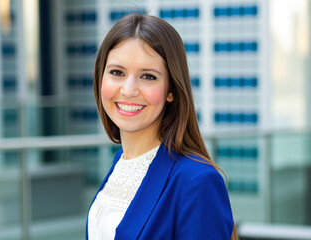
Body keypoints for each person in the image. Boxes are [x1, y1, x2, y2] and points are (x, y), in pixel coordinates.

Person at [86, 13, 238, 240]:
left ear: (171, 91)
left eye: (148, 76)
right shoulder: (121, 162)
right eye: (117, 72)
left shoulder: (197, 181)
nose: (128, 90)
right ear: (100, 77)